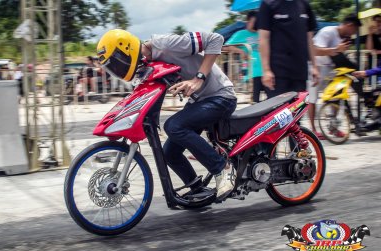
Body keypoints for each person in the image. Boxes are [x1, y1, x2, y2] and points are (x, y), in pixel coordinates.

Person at [97, 30, 237, 200]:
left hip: (221, 96)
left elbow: (216, 39)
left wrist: (198, 79)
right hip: (200, 101)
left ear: (126, 50)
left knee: (173, 126)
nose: (117, 70)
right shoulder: (146, 64)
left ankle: (223, 168)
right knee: (169, 152)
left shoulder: (165, 44)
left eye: (116, 64)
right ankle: (197, 188)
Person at [257, 0, 319, 100]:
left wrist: (314, 66)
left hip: (300, 72)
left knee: (298, 112)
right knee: (278, 112)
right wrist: (266, 70)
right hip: (277, 72)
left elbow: (309, 38)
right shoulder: (268, 3)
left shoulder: (304, 4)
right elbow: (264, 38)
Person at [313, 14, 362, 137]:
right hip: (316, 67)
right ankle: (313, 130)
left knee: (336, 95)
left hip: (330, 69)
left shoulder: (342, 37)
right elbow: (315, 50)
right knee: (311, 98)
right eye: (354, 30)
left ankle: (333, 128)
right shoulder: (328, 32)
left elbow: (337, 54)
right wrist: (336, 49)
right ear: (349, 25)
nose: (354, 33)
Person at [222, 11, 267, 103]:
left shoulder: (262, 33)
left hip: (266, 70)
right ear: (248, 21)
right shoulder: (241, 34)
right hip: (252, 72)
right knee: (255, 99)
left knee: (272, 98)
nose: (256, 24)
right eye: (254, 22)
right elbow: (226, 47)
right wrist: (240, 51)